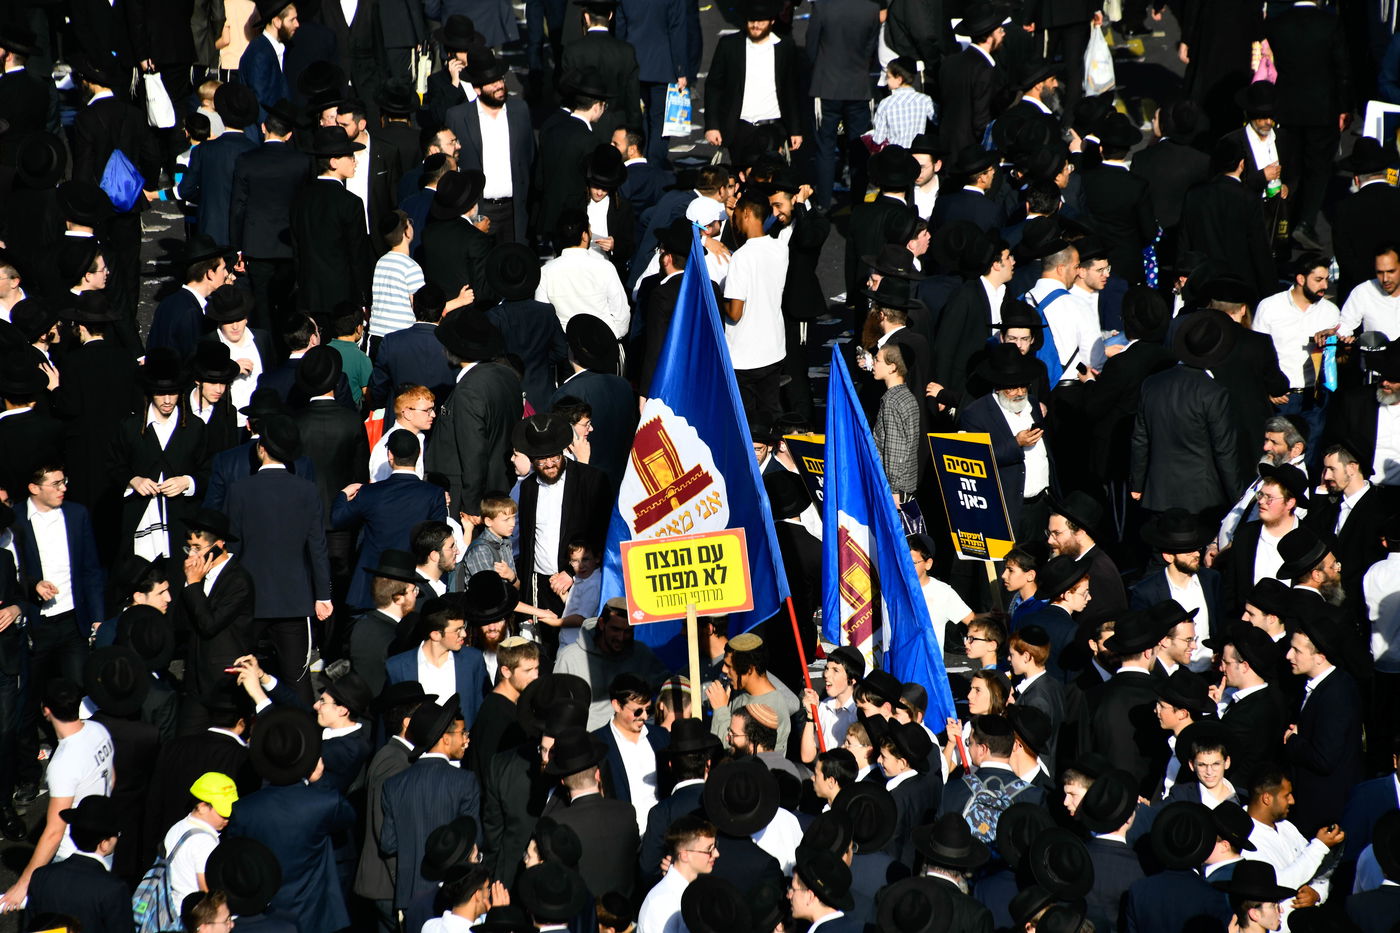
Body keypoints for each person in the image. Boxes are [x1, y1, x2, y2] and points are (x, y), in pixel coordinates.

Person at [0, 678, 113, 910]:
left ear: (46, 710)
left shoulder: (63, 763)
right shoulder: (99, 730)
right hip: (103, 843)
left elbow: (54, 832)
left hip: (74, 853)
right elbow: (112, 778)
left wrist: (23, 885)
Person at [382, 697, 479, 912]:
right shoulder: (465, 781)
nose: (466, 739)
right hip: (451, 897)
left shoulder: (393, 785)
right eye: (463, 733)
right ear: (446, 739)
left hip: (408, 897)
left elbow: (388, 843)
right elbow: (473, 839)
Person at [425, 311, 522, 523]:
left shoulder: (469, 389)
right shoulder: (507, 375)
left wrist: (471, 504)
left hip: (469, 494)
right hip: (502, 483)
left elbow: (473, 450)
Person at [290, 126, 375, 318]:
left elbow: (297, 250)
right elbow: (358, 256)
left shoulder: (299, 198)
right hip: (343, 300)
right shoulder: (350, 202)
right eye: (350, 156)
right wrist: (364, 298)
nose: (355, 161)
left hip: (308, 294)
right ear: (334, 162)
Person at [702, 0, 803, 161]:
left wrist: (795, 129)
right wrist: (712, 126)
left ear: (772, 21)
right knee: (740, 174)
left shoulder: (785, 47)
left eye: (761, 21)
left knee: (769, 174)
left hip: (773, 127)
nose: (756, 25)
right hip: (739, 128)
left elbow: (791, 90)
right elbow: (714, 86)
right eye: (751, 21)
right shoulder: (729, 45)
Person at [23, 795, 130, 933]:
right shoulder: (114, 889)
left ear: (72, 835)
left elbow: (31, 926)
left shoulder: (41, 875)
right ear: (104, 844)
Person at [385, 593, 491, 728]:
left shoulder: (473, 660)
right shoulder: (397, 667)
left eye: (463, 627)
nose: (464, 634)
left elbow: (480, 709)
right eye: (457, 630)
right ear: (435, 634)